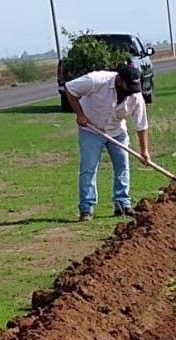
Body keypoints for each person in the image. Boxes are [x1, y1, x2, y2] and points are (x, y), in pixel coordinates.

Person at [64, 64, 150, 222]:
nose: (131, 91)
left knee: (122, 167)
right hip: (91, 130)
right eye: (129, 86)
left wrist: (144, 150)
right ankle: (86, 209)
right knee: (88, 169)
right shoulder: (96, 80)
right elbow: (69, 88)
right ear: (119, 81)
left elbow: (141, 124)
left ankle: (122, 204)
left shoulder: (135, 96)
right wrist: (80, 114)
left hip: (117, 132)